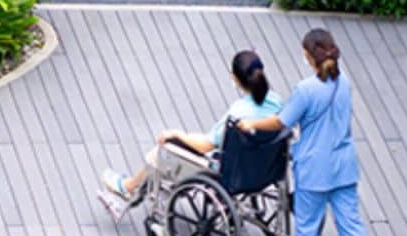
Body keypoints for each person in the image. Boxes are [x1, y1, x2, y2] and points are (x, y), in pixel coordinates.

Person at [238, 28, 379, 236]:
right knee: (351, 225)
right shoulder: (345, 84)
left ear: (307, 56)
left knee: (307, 226)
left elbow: (281, 122)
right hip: (344, 166)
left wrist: (251, 123)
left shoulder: (306, 90)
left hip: (315, 168)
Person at [101, 50, 283, 214]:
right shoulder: (276, 102)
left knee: (160, 151)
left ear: (235, 78)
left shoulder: (238, 112)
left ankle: (129, 187)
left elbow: (205, 146)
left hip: (229, 169)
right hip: (263, 168)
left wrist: (178, 134)